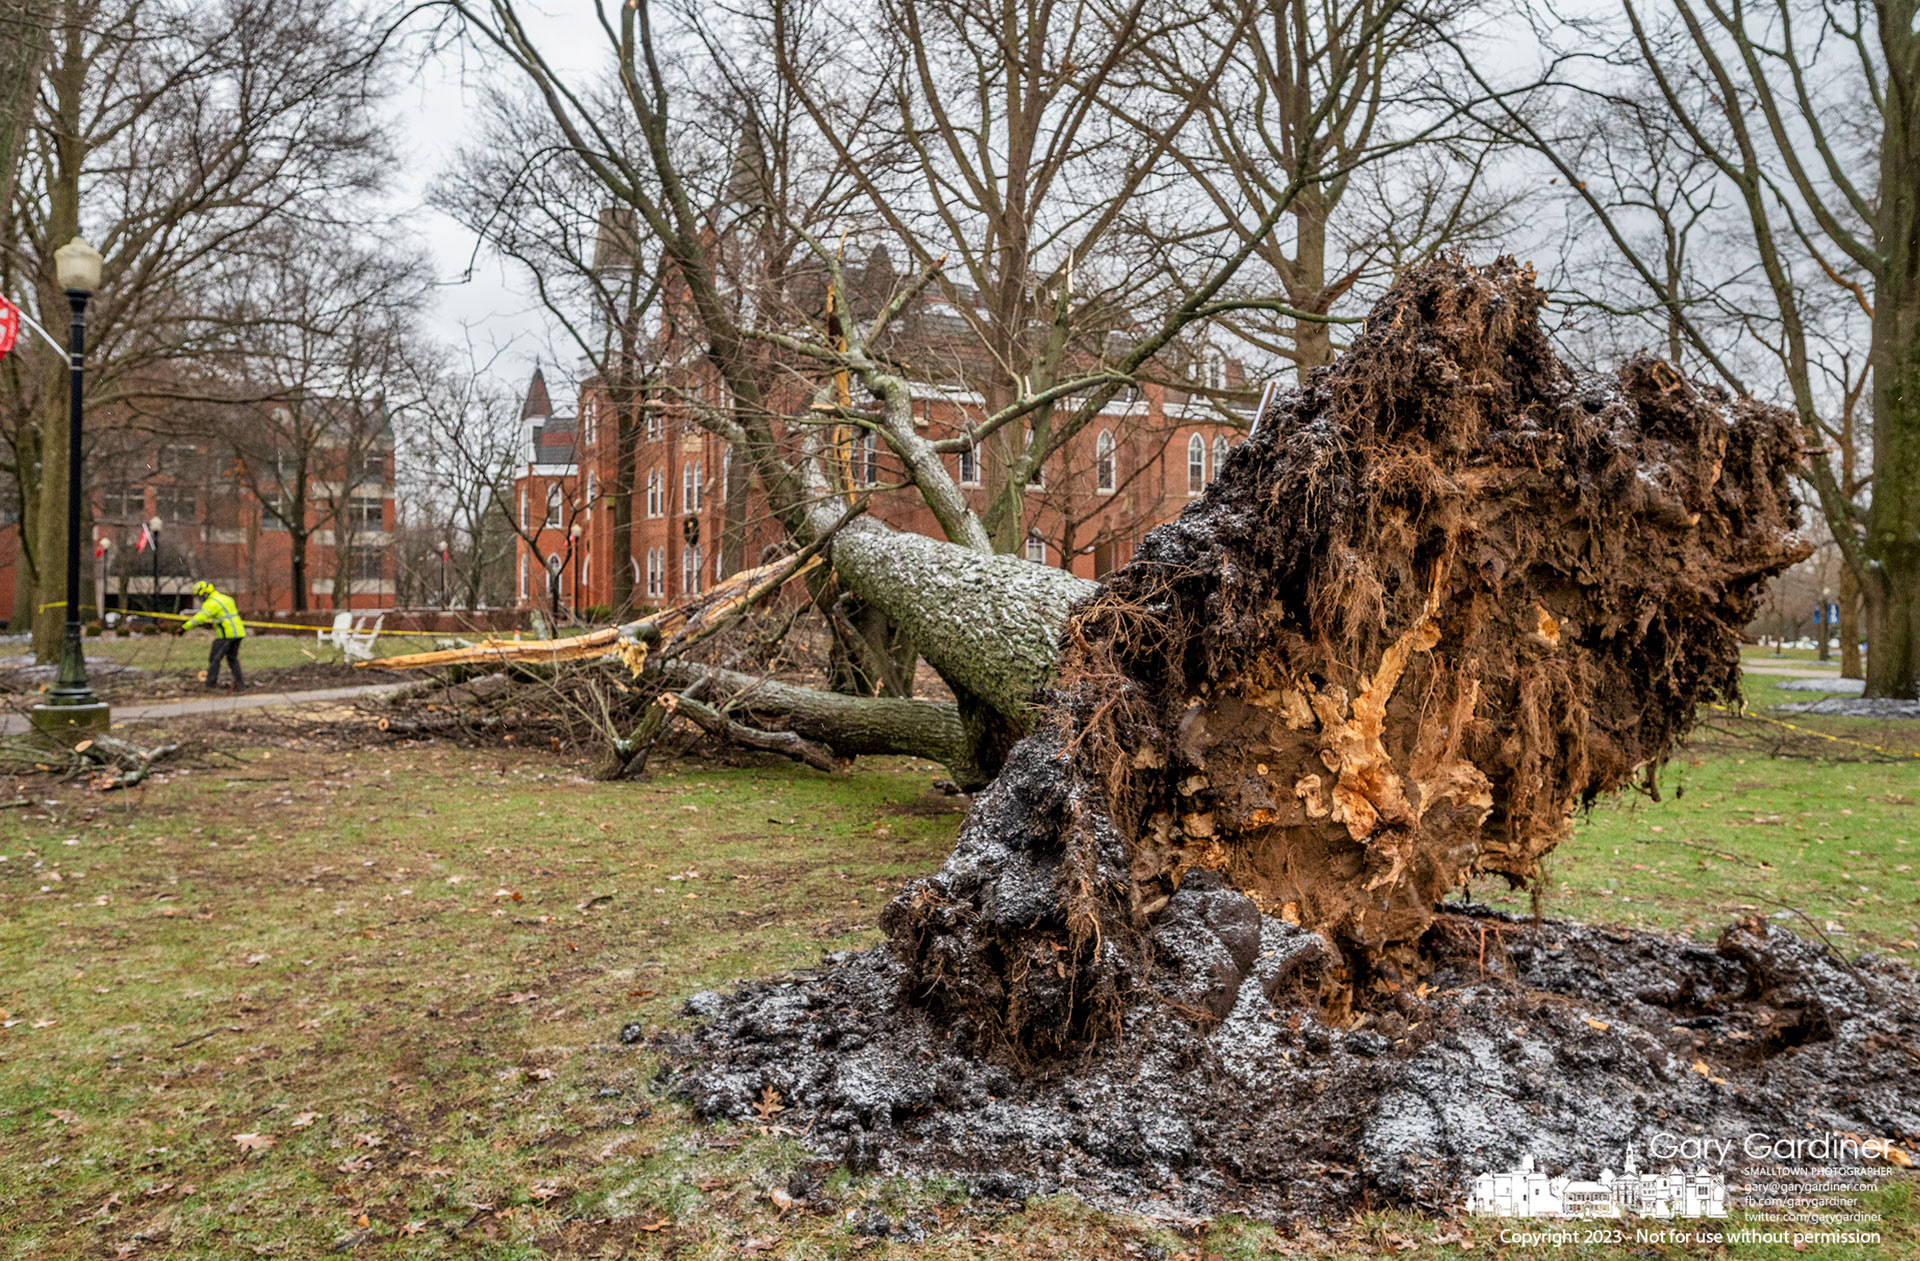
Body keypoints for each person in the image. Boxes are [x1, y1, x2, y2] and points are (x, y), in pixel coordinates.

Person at [177, 580, 247, 689]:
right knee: (232, 658)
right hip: (238, 632)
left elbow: (200, 618)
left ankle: (211, 684)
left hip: (226, 635)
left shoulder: (211, 603)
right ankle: (240, 683)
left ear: (205, 593)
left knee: (214, 659)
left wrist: (184, 627)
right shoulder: (226, 598)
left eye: (200, 596)